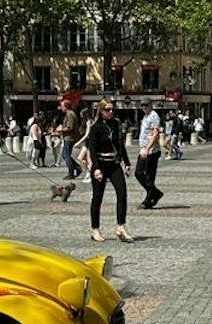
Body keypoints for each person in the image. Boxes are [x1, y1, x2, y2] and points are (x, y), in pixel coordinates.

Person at [82, 97, 133, 243]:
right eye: (107, 109)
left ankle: (121, 227)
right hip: (100, 164)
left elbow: (120, 144)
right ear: (101, 110)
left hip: (114, 164)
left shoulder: (116, 124)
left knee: (122, 194)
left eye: (112, 109)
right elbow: (92, 150)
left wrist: (127, 162)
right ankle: (95, 229)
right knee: (97, 197)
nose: (110, 112)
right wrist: (96, 168)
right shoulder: (95, 127)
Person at [135, 98, 164, 210]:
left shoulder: (154, 116)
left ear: (151, 105)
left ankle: (149, 199)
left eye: (146, 105)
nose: (144, 107)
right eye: (142, 105)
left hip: (151, 151)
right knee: (138, 173)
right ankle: (155, 193)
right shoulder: (146, 116)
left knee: (148, 177)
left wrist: (147, 148)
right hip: (144, 150)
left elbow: (155, 134)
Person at [57, 98, 82, 179]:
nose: (61, 108)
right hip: (68, 137)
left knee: (66, 155)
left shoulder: (70, 114)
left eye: (62, 106)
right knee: (65, 155)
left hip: (69, 138)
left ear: (66, 106)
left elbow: (70, 127)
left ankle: (72, 171)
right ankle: (76, 168)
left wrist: (61, 130)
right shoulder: (70, 114)